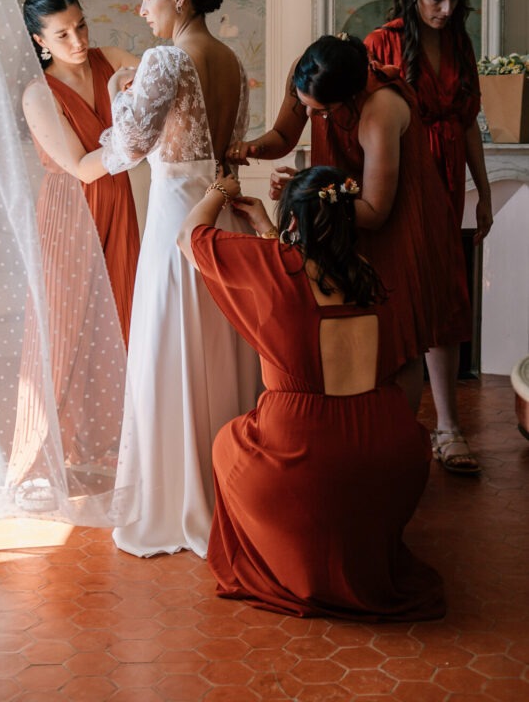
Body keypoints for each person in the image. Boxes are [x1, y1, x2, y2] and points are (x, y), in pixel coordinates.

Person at [177, 164, 445, 621]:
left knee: (228, 443)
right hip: (387, 450)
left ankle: (290, 563)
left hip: (305, 451)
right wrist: (267, 228)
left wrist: (222, 189)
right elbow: (310, 277)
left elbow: (189, 237)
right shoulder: (366, 275)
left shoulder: (276, 265)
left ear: (295, 222)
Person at [100, 0, 260, 558]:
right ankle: (227, 490)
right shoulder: (231, 60)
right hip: (224, 222)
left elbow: (129, 147)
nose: (141, 11)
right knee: (220, 352)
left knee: (171, 350)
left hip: (177, 225)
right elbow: (229, 148)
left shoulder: (166, 60)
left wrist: (119, 93)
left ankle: (175, 502)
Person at [228, 34, 472, 420]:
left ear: (347, 100)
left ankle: (404, 437)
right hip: (344, 209)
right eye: (305, 106)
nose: (309, 116)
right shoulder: (308, 73)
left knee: (399, 337)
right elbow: (282, 136)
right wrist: (249, 147)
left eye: (320, 112)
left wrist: (304, 192)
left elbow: (375, 210)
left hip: (399, 221)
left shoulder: (381, 110)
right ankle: (364, 434)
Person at [7, 0, 141, 499]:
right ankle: (41, 454)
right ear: (40, 42)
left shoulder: (112, 60)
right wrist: (134, 135)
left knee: (121, 316)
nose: (78, 40)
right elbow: (83, 169)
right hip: (70, 212)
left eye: (81, 25)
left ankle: (108, 440)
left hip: (119, 207)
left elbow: (169, 76)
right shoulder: (38, 95)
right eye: (61, 34)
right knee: (63, 328)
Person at [364, 0, 491, 474]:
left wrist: (482, 190)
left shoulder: (459, 43)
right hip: (403, 175)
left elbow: (465, 124)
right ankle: (392, 431)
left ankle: (448, 426)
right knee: (398, 295)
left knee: (444, 295)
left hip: (447, 181)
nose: (445, 9)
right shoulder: (382, 41)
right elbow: (364, 122)